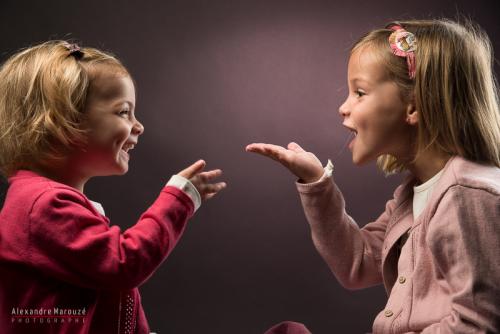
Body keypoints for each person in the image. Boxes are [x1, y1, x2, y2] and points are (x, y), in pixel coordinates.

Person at [249, 19, 500, 333]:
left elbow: (478, 325)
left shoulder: (468, 195)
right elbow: (357, 263)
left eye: (360, 92)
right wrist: (316, 183)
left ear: (413, 106)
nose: (343, 107)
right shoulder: (412, 196)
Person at [0, 40, 226, 334]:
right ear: (62, 121)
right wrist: (179, 200)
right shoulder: (43, 204)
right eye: (123, 112)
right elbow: (123, 265)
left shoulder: (41, 199)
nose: (139, 125)